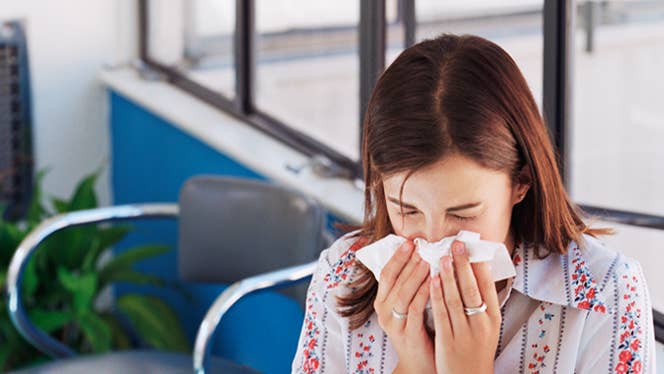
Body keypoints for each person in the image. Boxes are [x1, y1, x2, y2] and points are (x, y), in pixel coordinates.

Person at [291, 33, 655, 374]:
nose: (433, 240)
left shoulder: (606, 293)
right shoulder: (342, 275)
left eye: (463, 213)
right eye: (407, 210)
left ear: (521, 183)